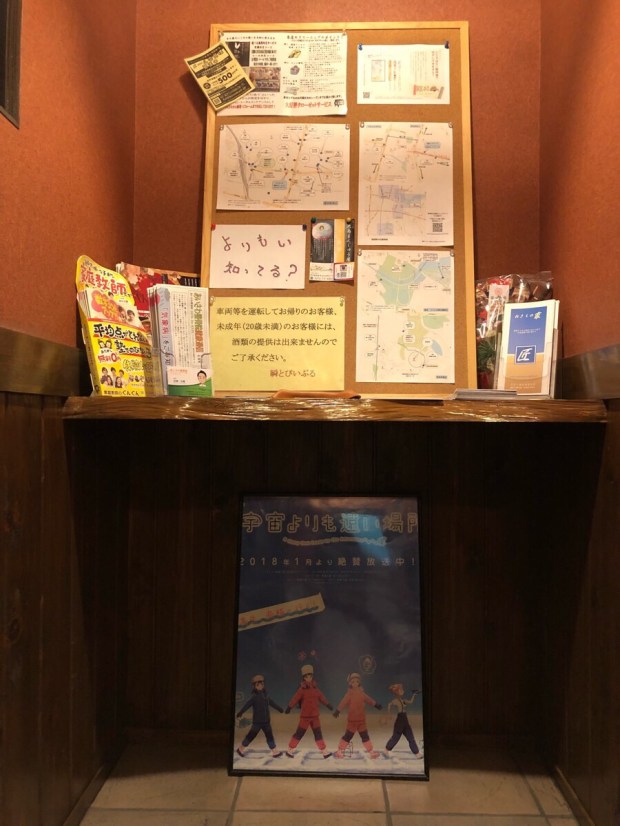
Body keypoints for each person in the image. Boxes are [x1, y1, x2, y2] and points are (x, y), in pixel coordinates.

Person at [284, 664, 333, 759]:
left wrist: (328, 704)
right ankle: (290, 749)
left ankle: (324, 751)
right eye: (306, 677)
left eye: (310, 676)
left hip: (315, 717)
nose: (308, 678)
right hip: (305, 717)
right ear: (304, 678)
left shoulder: (315, 689)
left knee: (318, 734)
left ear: (312, 676)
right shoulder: (302, 689)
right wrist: (289, 707)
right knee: (299, 733)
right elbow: (295, 698)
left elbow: (321, 697)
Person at [333, 672, 382, 758]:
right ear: (350, 683)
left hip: (361, 720)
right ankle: (340, 751)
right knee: (348, 736)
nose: (355, 683)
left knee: (365, 736)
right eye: (353, 682)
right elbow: (343, 702)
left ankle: (371, 752)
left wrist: (376, 704)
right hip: (352, 721)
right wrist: (338, 710)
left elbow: (369, 700)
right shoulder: (349, 694)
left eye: (357, 681)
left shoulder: (361, 693)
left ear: (359, 682)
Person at [235, 674, 283, 758]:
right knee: (251, 735)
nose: (260, 686)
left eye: (262, 684)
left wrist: (279, 709)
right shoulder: (254, 697)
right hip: (257, 722)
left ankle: (274, 751)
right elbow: (247, 705)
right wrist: (241, 712)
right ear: (255, 686)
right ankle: (240, 748)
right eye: (258, 685)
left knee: (269, 736)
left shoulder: (266, 696)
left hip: (266, 722)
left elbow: (272, 703)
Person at [385, 683, 422, 758]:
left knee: (410, 736)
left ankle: (417, 753)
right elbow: (389, 704)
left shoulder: (403, 700)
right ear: (396, 692)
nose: (402, 691)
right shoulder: (395, 700)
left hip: (405, 719)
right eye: (400, 690)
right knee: (396, 736)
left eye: (402, 689)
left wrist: (414, 695)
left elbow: (410, 702)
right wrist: (389, 714)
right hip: (400, 719)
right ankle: (387, 750)